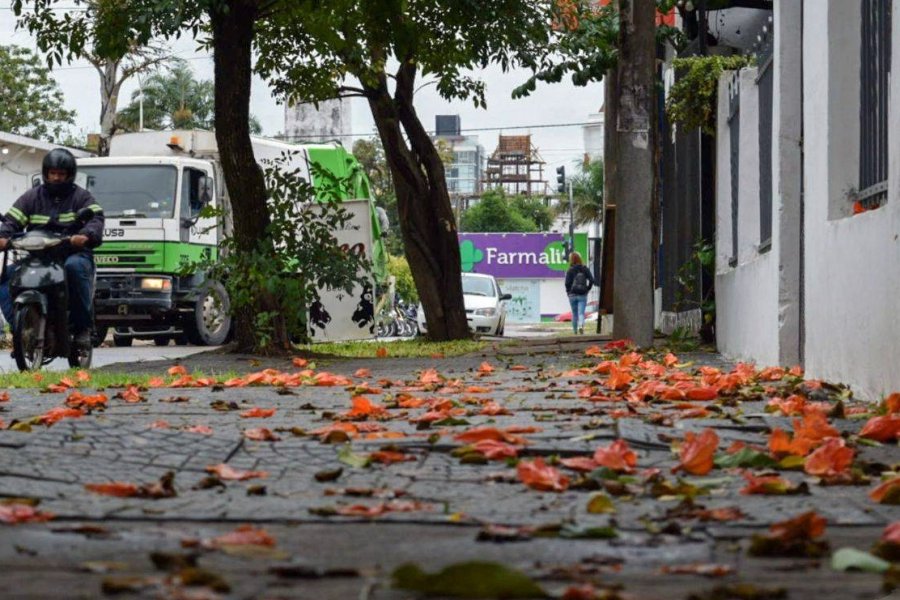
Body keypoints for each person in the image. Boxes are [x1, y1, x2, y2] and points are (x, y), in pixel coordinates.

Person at [0, 148, 104, 351]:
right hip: (38, 256)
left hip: (72, 253)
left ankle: (82, 329)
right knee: (6, 279)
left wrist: (85, 236)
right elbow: (13, 220)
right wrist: (4, 236)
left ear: (69, 175)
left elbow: (96, 219)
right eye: (52, 174)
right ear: (46, 173)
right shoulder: (31, 197)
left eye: (61, 174)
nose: (56, 178)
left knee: (74, 268)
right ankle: (22, 329)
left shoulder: (81, 198)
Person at [564, 251, 595, 335]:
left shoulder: (570, 270)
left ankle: (575, 332)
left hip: (572, 295)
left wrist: (568, 292)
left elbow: (567, 283)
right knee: (581, 313)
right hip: (582, 294)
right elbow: (592, 280)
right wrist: (587, 289)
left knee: (574, 314)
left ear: (571, 260)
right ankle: (581, 326)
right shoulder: (584, 268)